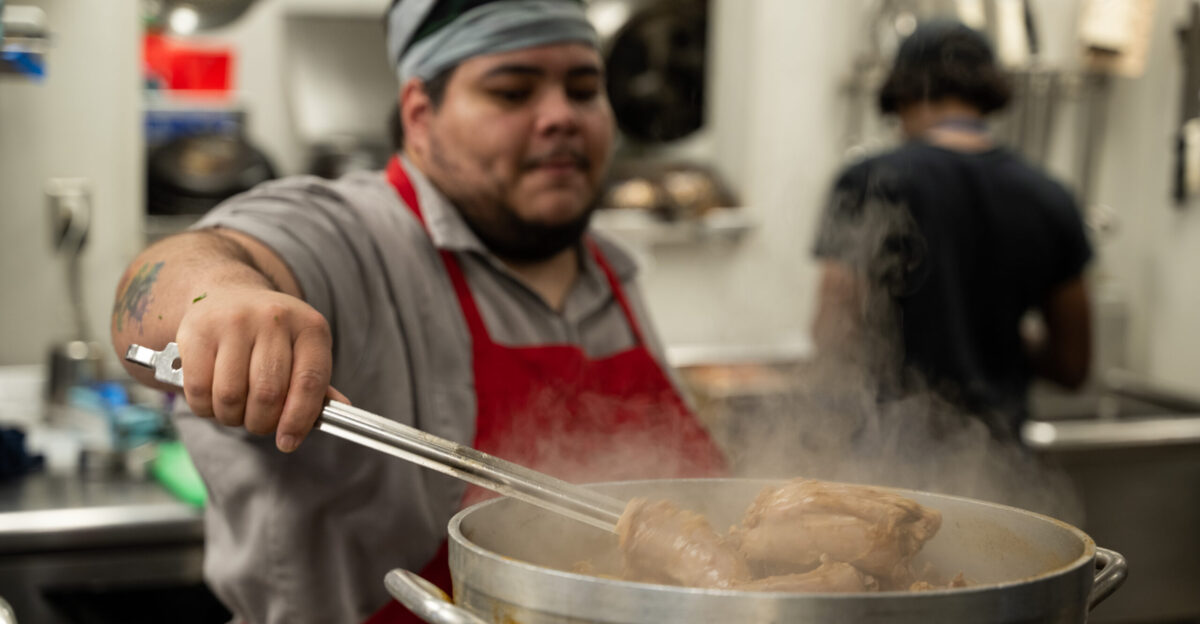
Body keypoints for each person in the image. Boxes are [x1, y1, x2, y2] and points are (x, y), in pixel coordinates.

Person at [109, 1, 725, 622]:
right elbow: (178, 270)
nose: (561, 116)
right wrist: (220, 298)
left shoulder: (607, 271)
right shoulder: (354, 232)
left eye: (585, 89)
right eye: (513, 92)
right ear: (420, 116)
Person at [811, 19, 1093, 441]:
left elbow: (833, 330)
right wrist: (1000, 338)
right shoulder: (1050, 197)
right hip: (1001, 461)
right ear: (986, 93)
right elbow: (1073, 365)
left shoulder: (869, 181)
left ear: (904, 94)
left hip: (893, 454)